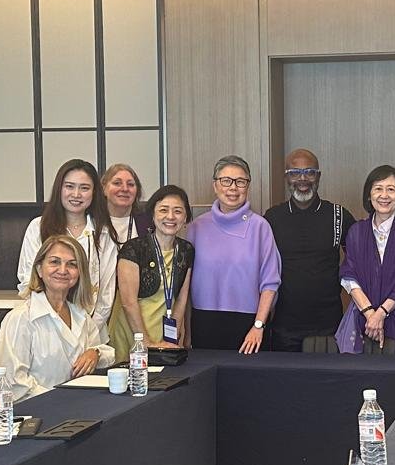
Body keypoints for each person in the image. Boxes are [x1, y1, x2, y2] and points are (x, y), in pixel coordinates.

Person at [0, 234, 117, 401]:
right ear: (39, 269)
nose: (63, 270)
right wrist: (58, 400)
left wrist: (95, 353)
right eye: (54, 262)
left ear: (80, 273)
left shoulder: (81, 315)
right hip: (34, 410)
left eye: (72, 264)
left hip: (76, 406)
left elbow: (108, 355)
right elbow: (12, 383)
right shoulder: (20, 318)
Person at [184, 155, 281, 353]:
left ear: (248, 186)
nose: (233, 188)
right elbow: (184, 284)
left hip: (249, 326)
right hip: (204, 321)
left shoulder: (260, 227)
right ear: (215, 185)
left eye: (240, 182)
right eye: (226, 181)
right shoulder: (196, 227)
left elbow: (270, 283)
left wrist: (258, 326)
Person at [264, 148, 356, 352]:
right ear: (286, 178)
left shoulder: (338, 215)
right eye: (295, 173)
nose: (302, 179)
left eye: (310, 172)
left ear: (319, 176)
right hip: (284, 326)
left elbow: (359, 260)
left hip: (329, 326)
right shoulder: (272, 218)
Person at [17, 159, 119, 342]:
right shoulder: (38, 227)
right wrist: (55, 328)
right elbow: (28, 281)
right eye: (69, 186)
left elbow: (106, 293)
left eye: (84, 188)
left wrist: (86, 332)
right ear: (59, 189)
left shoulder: (104, 233)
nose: (76, 194)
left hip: (91, 332)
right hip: (44, 331)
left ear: (94, 192)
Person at [338, 165, 395, 354]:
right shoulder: (356, 232)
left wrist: (381, 313)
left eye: (391, 189)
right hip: (363, 317)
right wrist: (370, 313)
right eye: (378, 188)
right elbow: (349, 275)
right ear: (369, 195)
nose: (384, 195)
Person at [112, 184, 196, 356]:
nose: (170, 217)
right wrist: (146, 342)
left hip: (165, 335)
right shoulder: (133, 249)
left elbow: (181, 299)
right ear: (153, 214)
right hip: (133, 334)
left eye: (178, 211)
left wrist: (172, 340)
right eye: (163, 210)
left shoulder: (186, 250)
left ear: (186, 217)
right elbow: (128, 302)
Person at [101, 163, 152, 243]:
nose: (125, 189)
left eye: (130, 184)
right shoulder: (91, 221)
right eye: (117, 183)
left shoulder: (148, 222)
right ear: (104, 188)